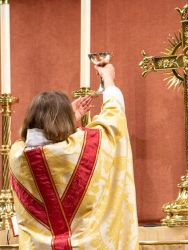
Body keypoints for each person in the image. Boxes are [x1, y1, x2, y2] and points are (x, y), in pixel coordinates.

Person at [9, 64, 139, 250]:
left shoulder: (17, 156)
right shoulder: (84, 148)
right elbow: (114, 117)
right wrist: (108, 79)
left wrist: (65, 119)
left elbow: (40, 140)